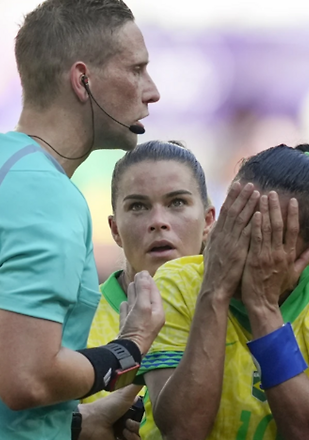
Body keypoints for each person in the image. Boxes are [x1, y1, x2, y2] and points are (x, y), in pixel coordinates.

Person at [0, 0, 163, 439]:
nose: (152, 90)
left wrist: (73, 424)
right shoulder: (43, 193)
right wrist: (129, 346)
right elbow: (26, 378)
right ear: (82, 80)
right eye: (137, 69)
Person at [138, 144, 309, 440]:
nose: (242, 246)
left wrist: (264, 308)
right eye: (236, 223)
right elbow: (182, 431)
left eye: (269, 236)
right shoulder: (178, 282)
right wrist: (214, 290)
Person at [79, 140, 215, 438]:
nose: (158, 222)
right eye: (138, 206)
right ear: (115, 229)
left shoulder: (245, 310)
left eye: (177, 202)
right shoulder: (74, 318)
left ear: (208, 220)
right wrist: (75, 426)